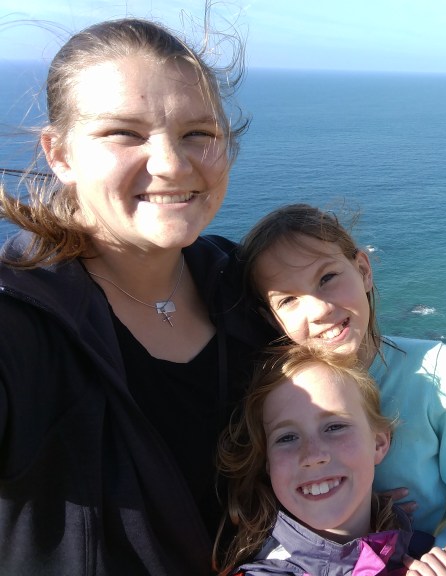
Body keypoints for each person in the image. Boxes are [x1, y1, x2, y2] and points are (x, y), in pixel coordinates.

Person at [0, 16, 272, 576]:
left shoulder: (249, 286)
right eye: (124, 133)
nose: (172, 164)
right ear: (59, 154)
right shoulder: (20, 319)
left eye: (198, 133)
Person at [239, 204, 446, 576]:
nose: (319, 309)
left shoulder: (433, 367)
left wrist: (441, 565)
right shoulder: (278, 394)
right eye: (288, 299)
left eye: (327, 277)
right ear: (272, 319)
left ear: (364, 270)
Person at [217, 344, 446, 576]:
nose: (313, 456)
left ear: (378, 443)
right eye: (287, 437)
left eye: (334, 427)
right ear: (268, 464)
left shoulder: (422, 552)